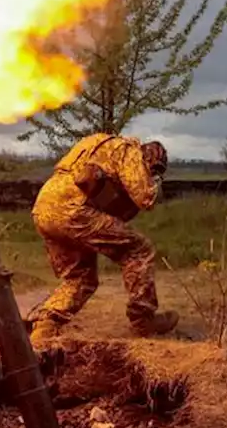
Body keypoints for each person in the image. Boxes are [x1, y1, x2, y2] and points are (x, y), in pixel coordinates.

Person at [27, 133, 178, 342]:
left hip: (45, 207)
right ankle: (143, 319)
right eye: (153, 170)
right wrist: (155, 180)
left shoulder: (98, 144)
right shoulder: (129, 151)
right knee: (139, 250)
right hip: (74, 210)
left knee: (81, 278)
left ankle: (45, 326)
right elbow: (145, 197)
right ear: (148, 159)